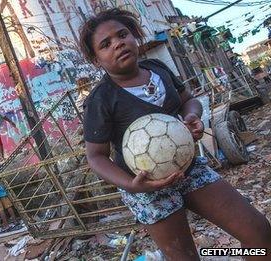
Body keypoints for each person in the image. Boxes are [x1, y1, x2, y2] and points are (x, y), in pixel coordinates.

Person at [79, 8, 271, 260]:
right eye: (106, 44)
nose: (119, 43)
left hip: (189, 169)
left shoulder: (158, 69)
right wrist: (132, 185)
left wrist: (192, 116)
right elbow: (96, 156)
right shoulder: (101, 99)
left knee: (259, 234)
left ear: (133, 36)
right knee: (186, 258)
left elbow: (188, 101)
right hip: (147, 188)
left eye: (122, 34)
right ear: (97, 60)